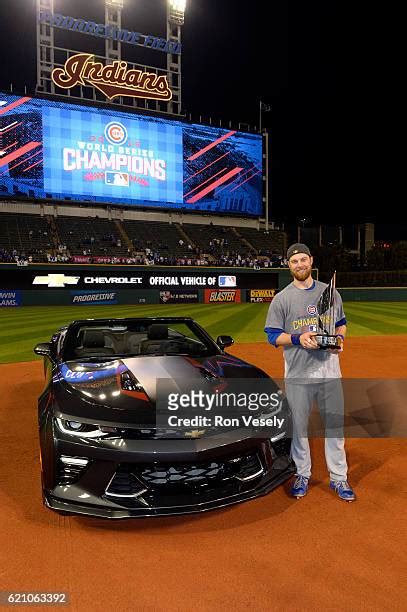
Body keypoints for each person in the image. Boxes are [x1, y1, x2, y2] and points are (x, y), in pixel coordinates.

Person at [264, 243, 356, 502]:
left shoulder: (330, 293)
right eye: (295, 262)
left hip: (329, 372)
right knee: (300, 429)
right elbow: (272, 336)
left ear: (311, 261)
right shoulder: (282, 298)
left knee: (335, 428)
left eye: (303, 260)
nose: (300, 265)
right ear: (289, 265)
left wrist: (339, 339)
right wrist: (297, 338)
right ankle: (302, 473)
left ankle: (339, 478)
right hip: (298, 375)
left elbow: (341, 324)